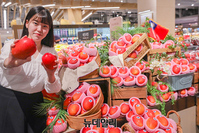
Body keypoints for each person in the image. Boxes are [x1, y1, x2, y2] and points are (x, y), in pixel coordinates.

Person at [0, 6, 61, 133]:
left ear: (49, 29)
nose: (40, 29)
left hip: (36, 104)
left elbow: (54, 89)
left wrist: (51, 75)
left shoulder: (50, 52)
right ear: (27, 23)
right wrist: (10, 62)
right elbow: (5, 67)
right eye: (35, 23)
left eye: (45, 26)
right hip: (11, 100)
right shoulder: (12, 45)